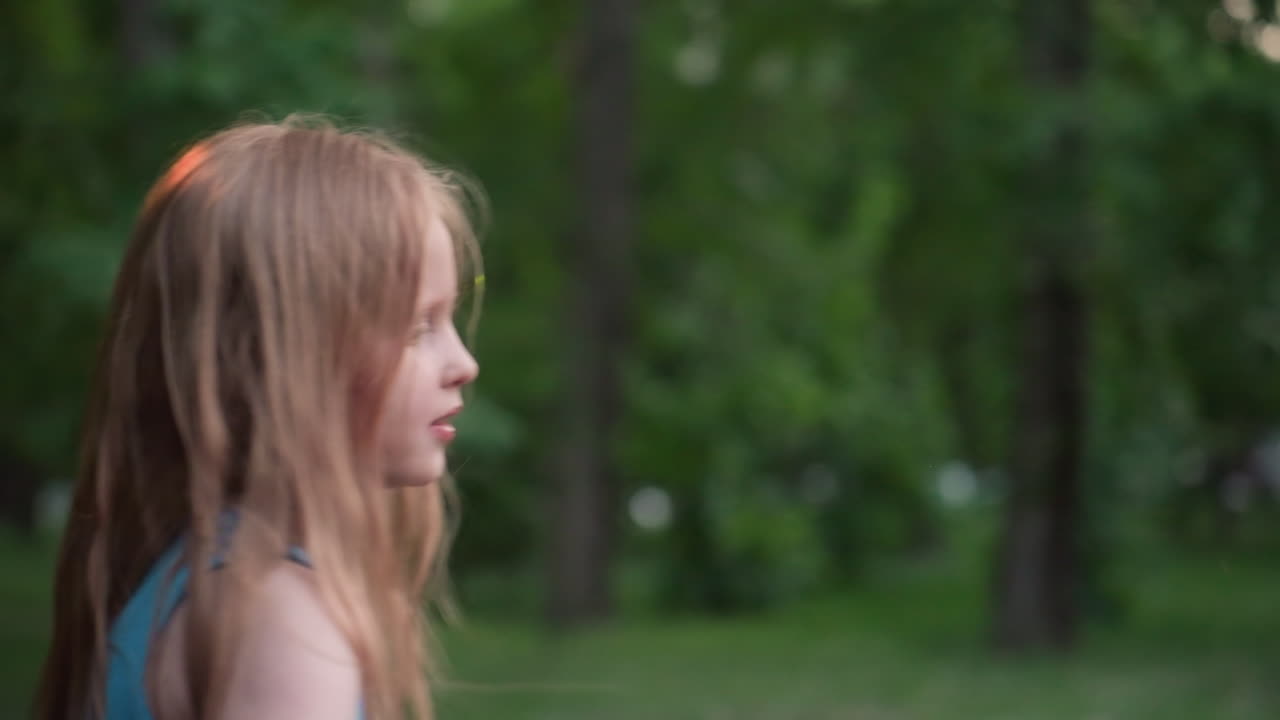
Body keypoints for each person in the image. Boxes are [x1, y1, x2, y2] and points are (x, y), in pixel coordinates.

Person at [33, 116, 482, 720]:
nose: (463, 364)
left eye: (449, 320)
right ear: (282, 357)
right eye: (416, 327)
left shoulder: (189, 577)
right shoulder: (281, 628)